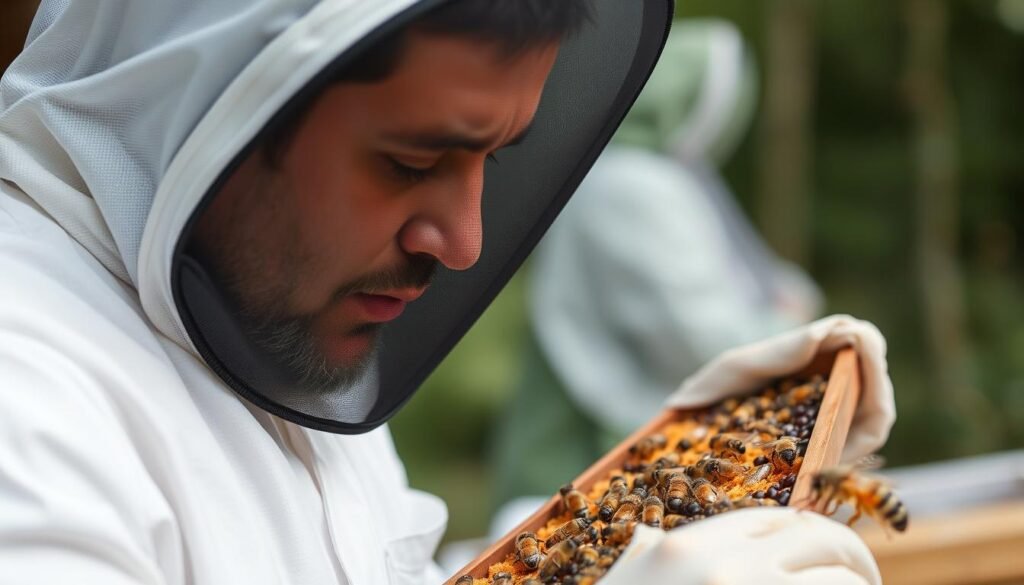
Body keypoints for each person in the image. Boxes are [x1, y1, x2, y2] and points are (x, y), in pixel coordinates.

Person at [0, 1, 890, 583]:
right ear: (199, 114)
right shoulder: (26, 395)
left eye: (490, 161)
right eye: (411, 161)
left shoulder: (275, 321)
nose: (462, 242)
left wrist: (610, 538)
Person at [491, 19, 824, 505]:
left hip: (630, 459)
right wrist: (787, 322)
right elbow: (704, 343)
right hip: (591, 461)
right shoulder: (631, 188)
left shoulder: (619, 175)